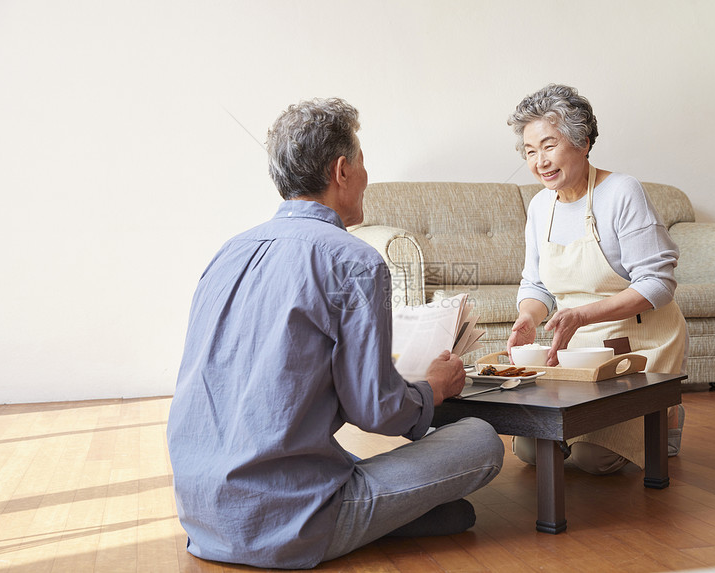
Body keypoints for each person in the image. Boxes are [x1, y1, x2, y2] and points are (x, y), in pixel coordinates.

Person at [167, 98, 503, 569]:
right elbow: (376, 410)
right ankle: (354, 522)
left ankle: (389, 515)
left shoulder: (227, 252)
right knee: (481, 440)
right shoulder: (355, 260)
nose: (366, 176)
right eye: (362, 163)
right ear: (342, 170)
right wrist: (433, 389)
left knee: (456, 515)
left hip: (203, 517)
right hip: (290, 520)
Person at [506, 84, 688, 474]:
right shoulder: (540, 206)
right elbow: (536, 285)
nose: (540, 161)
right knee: (530, 452)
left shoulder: (621, 191)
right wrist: (528, 318)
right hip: (577, 348)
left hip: (637, 344)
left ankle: (666, 415)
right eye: (530, 151)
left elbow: (658, 283)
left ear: (583, 142)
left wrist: (584, 315)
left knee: (594, 458)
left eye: (549, 145)